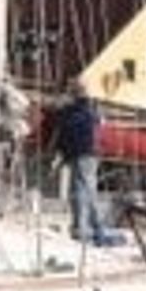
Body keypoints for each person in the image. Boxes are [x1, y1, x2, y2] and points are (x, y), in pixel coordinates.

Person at [53, 77, 103, 243]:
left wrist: (61, 154)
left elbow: (69, 133)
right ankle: (94, 228)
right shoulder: (85, 109)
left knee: (81, 191)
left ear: (73, 93)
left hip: (83, 155)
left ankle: (82, 229)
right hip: (86, 154)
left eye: (69, 92)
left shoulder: (77, 111)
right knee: (86, 190)